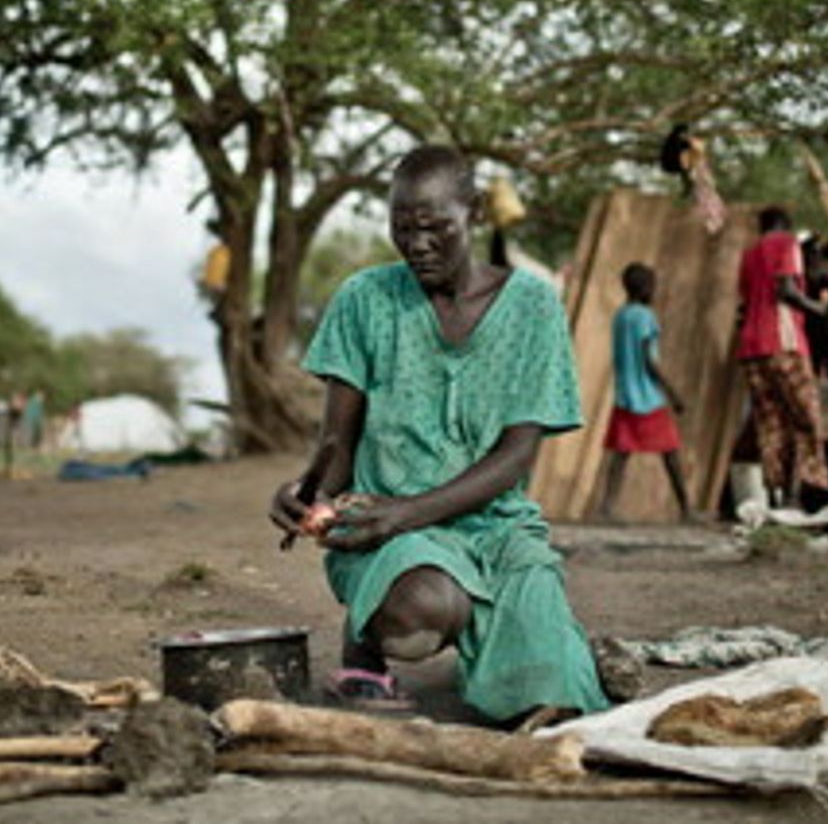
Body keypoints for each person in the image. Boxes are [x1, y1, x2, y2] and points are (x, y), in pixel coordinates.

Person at [269, 144, 608, 724]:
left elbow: (515, 455)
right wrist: (307, 492)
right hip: (388, 534)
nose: (418, 245)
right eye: (403, 229)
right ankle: (368, 646)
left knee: (557, 699)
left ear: (474, 214)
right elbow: (338, 444)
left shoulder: (532, 307)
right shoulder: (365, 300)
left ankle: (526, 645)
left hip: (494, 527)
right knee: (423, 612)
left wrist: (407, 510)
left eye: (436, 228)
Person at [736, 206, 828, 507]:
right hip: (783, 342)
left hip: (752, 349)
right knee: (807, 418)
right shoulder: (787, 244)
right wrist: (818, 309)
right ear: (785, 224)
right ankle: (808, 490)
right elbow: (786, 289)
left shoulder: (748, 255)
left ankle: (776, 496)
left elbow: (746, 300)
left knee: (770, 422)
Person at [597, 263, 691, 520]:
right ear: (646, 288)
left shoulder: (621, 316)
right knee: (670, 453)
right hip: (648, 398)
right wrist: (673, 393)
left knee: (621, 453)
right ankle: (686, 509)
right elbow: (650, 361)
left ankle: (607, 506)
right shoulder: (645, 317)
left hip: (624, 396)